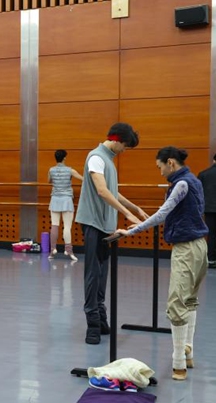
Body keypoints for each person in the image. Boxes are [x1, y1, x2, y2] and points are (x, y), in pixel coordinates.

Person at [115, 147, 208, 381]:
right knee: (189, 300)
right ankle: (188, 352)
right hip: (200, 247)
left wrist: (131, 230)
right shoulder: (194, 181)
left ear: (170, 163)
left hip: (186, 249)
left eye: (160, 167)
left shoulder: (182, 184)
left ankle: (178, 364)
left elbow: (162, 215)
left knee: (177, 303)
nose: (160, 172)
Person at [75, 123, 148, 345]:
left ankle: (101, 317)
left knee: (103, 273)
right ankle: (93, 325)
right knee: (92, 274)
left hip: (107, 225)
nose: (124, 150)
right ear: (116, 140)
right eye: (125, 146)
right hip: (93, 223)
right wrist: (127, 213)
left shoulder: (109, 161)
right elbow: (102, 190)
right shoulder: (96, 157)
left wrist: (135, 208)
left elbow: (113, 190)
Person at [47, 149, 83, 260]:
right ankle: (69, 251)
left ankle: (53, 250)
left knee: (54, 225)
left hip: (54, 199)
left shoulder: (51, 170)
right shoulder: (70, 170)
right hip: (66, 199)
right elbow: (83, 179)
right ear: (64, 158)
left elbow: (49, 181)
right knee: (67, 227)